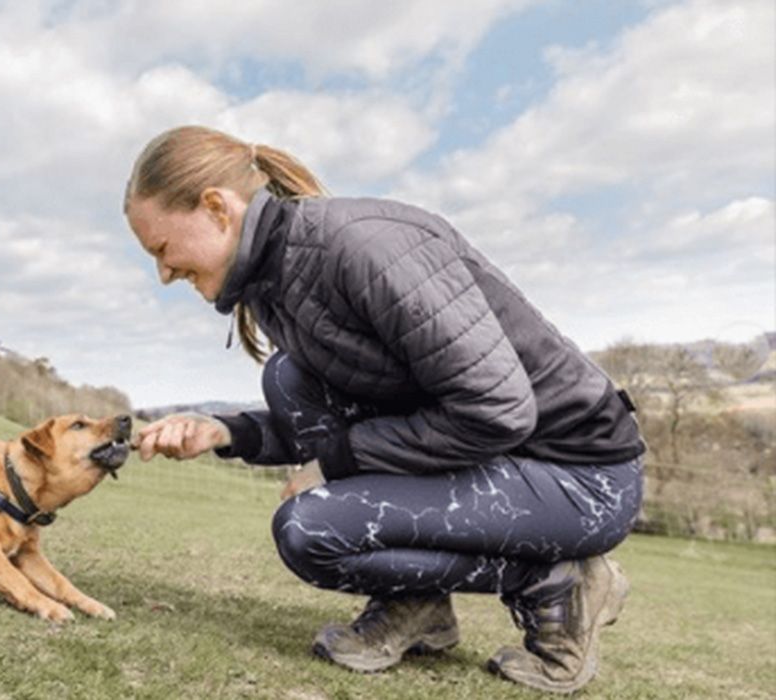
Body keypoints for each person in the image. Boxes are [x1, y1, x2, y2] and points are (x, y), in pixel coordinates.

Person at [124, 125, 645, 694]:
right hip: (496, 455)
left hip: (580, 478)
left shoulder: (361, 247)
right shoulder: (276, 283)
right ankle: (418, 606)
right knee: (286, 376)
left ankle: (558, 580)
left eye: (161, 248)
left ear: (217, 208)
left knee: (312, 530)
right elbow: (333, 422)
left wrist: (335, 465)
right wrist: (223, 432)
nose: (164, 272)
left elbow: (496, 410)